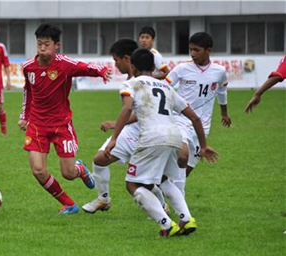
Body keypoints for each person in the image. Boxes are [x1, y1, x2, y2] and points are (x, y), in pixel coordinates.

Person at [104, 48, 218, 236]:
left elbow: (126, 109)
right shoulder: (167, 87)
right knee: (164, 179)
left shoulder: (132, 83)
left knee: (132, 185)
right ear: (152, 66)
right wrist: (203, 146)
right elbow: (195, 118)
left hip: (151, 137)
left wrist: (114, 138)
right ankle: (187, 219)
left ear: (132, 66)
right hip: (174, 136)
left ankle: (166, 224)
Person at [18, 24, 110, 214]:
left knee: (68, 174)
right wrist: (24, 116)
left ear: (56, 45)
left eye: (46, 44)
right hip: (36, 125)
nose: (42, 48)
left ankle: (80, 169)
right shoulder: (28, 67)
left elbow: (85, 67)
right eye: (39, 44)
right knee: (38, 171)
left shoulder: (64, 64)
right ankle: (69, 204)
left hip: (61, 125)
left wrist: (101, 71)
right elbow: (28, 91)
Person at [82, 38, 168, 214]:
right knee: (99, 159)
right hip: (130, 133)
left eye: (116, 60)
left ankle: (162, 207)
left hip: (147, 135)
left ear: (127, 59)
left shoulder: (142, 81)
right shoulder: (131, 79)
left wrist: (115, 126)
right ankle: (103, 199)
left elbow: (144, 111)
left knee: (142, 181)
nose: (115, 65)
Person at [165, 32, 231, 195]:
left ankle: (163, 190)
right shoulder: (182, 68)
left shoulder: (219, 71)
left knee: (185, 170)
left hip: (202, 126)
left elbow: (222, 91)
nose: (192, 54)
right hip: (180, 120)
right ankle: (180, 210)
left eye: (197, 50)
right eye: (190, 50)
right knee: (182, 157)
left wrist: (224, 113)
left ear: (208, 50)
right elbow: (164, 87)